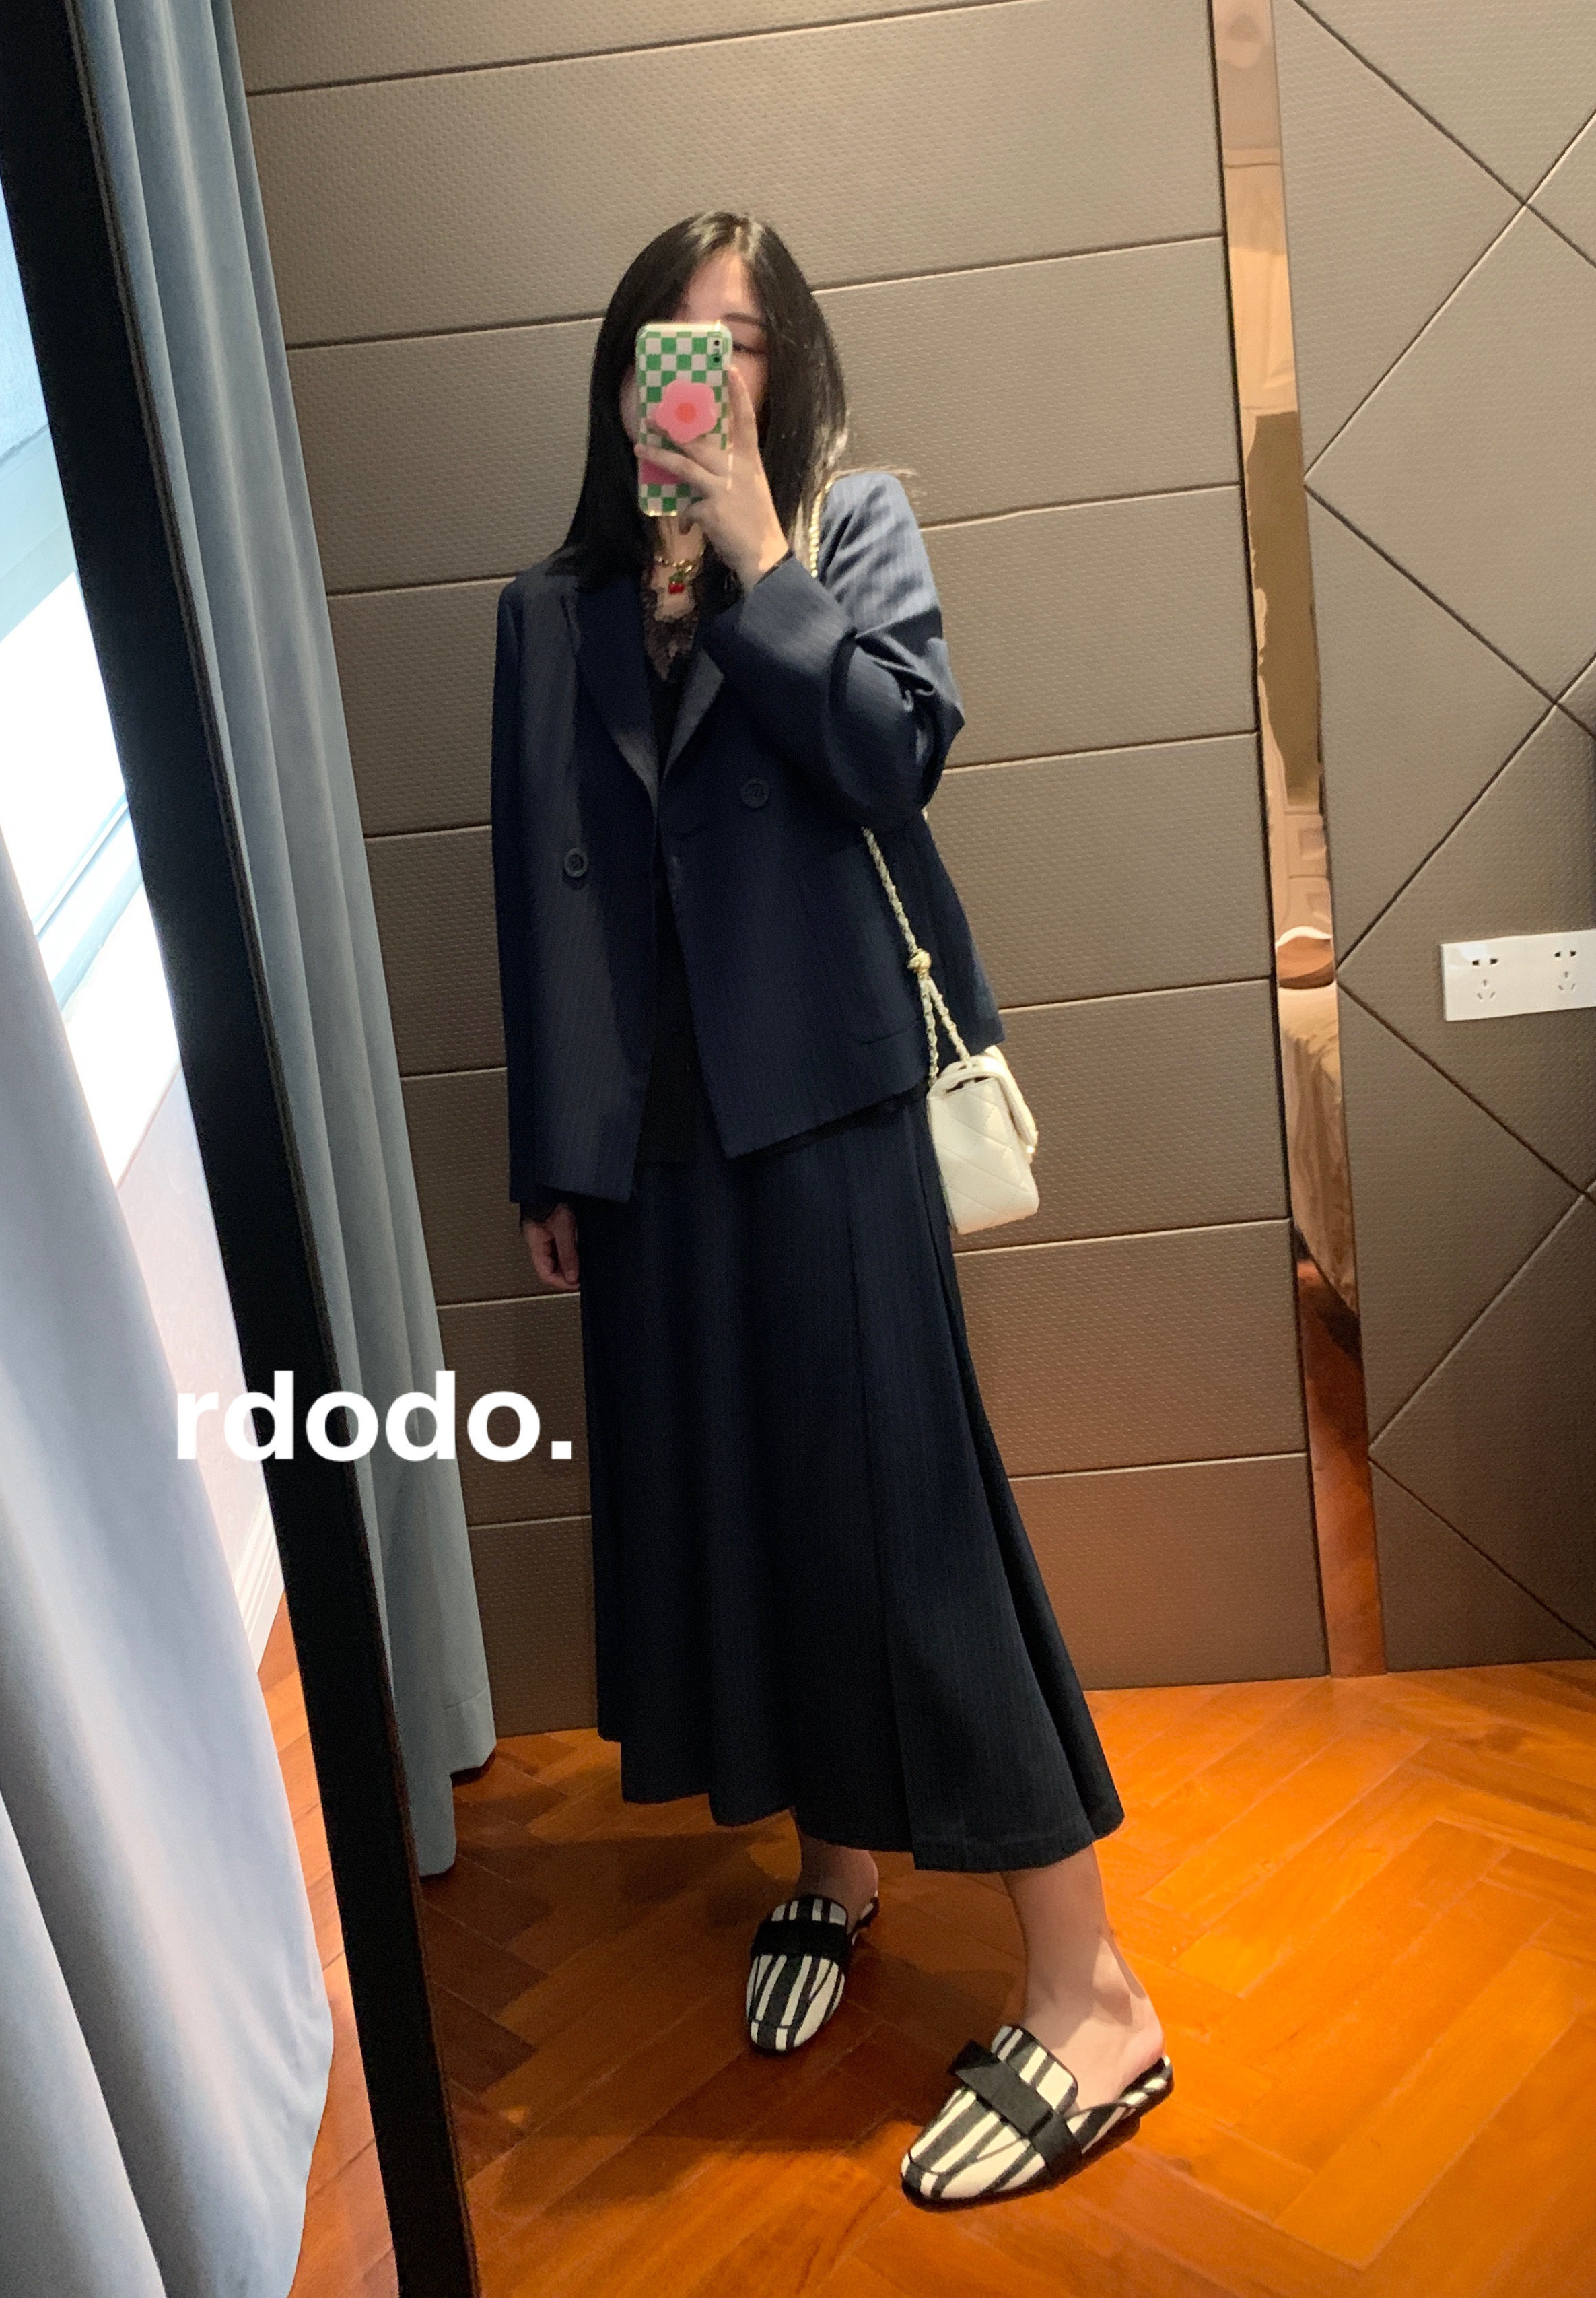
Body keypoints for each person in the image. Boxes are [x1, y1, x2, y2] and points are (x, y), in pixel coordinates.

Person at [487, 211, 1171, 2203]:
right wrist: (550, 1155)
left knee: (909, 1522)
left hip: (838, 1113)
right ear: (622, 369)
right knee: (746, 1512)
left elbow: (894, 758)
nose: (706, 372)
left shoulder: (852, 534)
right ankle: (840, 1865)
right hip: (653, 1149)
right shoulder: (548, 610)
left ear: (787, 371)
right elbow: (539, 892)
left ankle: (1092, 1989)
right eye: (673, 339)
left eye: (745, 343)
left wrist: (762, 553)